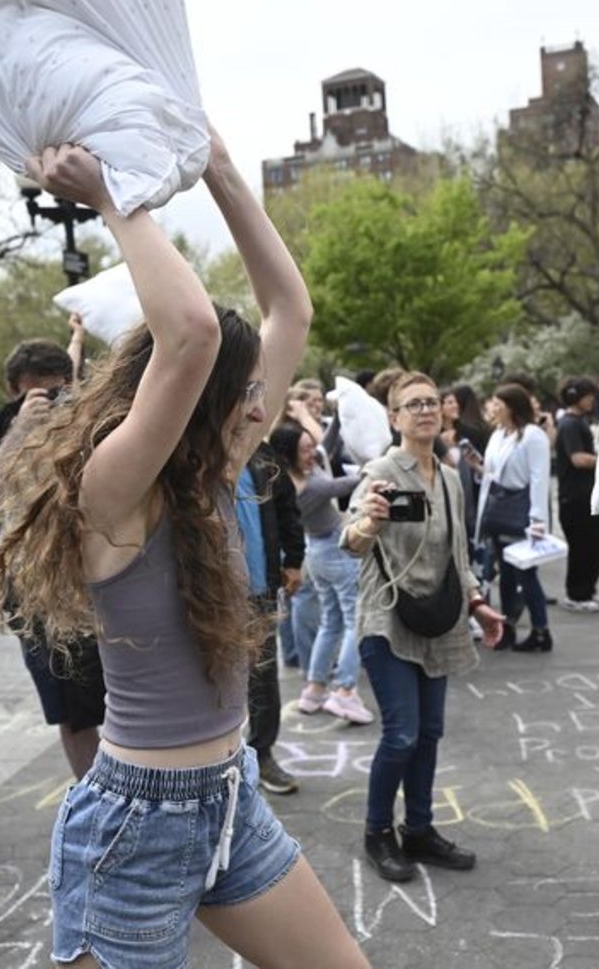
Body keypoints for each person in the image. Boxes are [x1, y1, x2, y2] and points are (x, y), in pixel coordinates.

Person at [0, 136, 368, 968]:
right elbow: (190, 333)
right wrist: (114, 198)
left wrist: (223, 166)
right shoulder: (113, 490)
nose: (262, 407)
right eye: (247, 393)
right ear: (198, 397)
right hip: (134, 829)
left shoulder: (211, 472)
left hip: (229, 801)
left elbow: (289, 310)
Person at [341, 372, 505, 882]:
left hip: (441, 618)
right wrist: (370, 521)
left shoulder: (452, 478)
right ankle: (377, 833)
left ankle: (419, 830)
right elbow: (350, 542)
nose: (425, 410)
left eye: (432, 402)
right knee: (402, 734)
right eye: (412, 404)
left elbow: (458, 553)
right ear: (394, 417)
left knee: (429, 734)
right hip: (389, 618)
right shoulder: (381, 473)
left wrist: (478, 602)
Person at [0, 329, 106, 780]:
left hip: (103, 574)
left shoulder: (89, 417)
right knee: (72, 709)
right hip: (36, 590)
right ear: (14, 391)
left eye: (59, 387)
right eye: (38, 390)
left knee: (128, 698)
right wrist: (22, 428)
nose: (51, 398)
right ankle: (94, 800)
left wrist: (78, 338)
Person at [269, 419, 371, 724]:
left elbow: (325, 446)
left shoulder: (286, 479)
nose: (313, 452)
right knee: (356, 621)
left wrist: (339, 419)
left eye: (311, 446)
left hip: (317, 552)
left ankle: (314, 690)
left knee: (332, 621)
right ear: (289, 454)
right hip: (335, 552)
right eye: (305, 449)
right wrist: (375, 461)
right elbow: (351, 483)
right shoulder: (312, 485)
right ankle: (345, 691)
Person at [236, 441, 306, 795]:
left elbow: (287, 506)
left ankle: (261, 753)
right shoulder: (190, 444)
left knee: (262, 677)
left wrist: (294, 559)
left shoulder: (261, 452)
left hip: (259, 589)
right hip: (204, 595)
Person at [475, 384, 553, 652]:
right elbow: (492, 472)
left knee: (526, 574)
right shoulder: (499, 434)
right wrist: (477, 466)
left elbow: (539, 478)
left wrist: (538, 520)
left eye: (498, 403)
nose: (492, 408)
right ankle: (507, 628)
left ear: (512, 406)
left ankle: (541, 631)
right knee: (506, 575)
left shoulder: (532, 436)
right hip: (498, 510)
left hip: (521, 512)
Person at [555, 376, 599, 613]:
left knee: (594, 545)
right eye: (588, 395)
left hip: (585, 495)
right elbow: (578, 458)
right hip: (576, 497)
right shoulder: (570, 424)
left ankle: (588, 588)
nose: (592, 400)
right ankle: (577, 593)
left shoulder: (578, 422)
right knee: (582, 547)